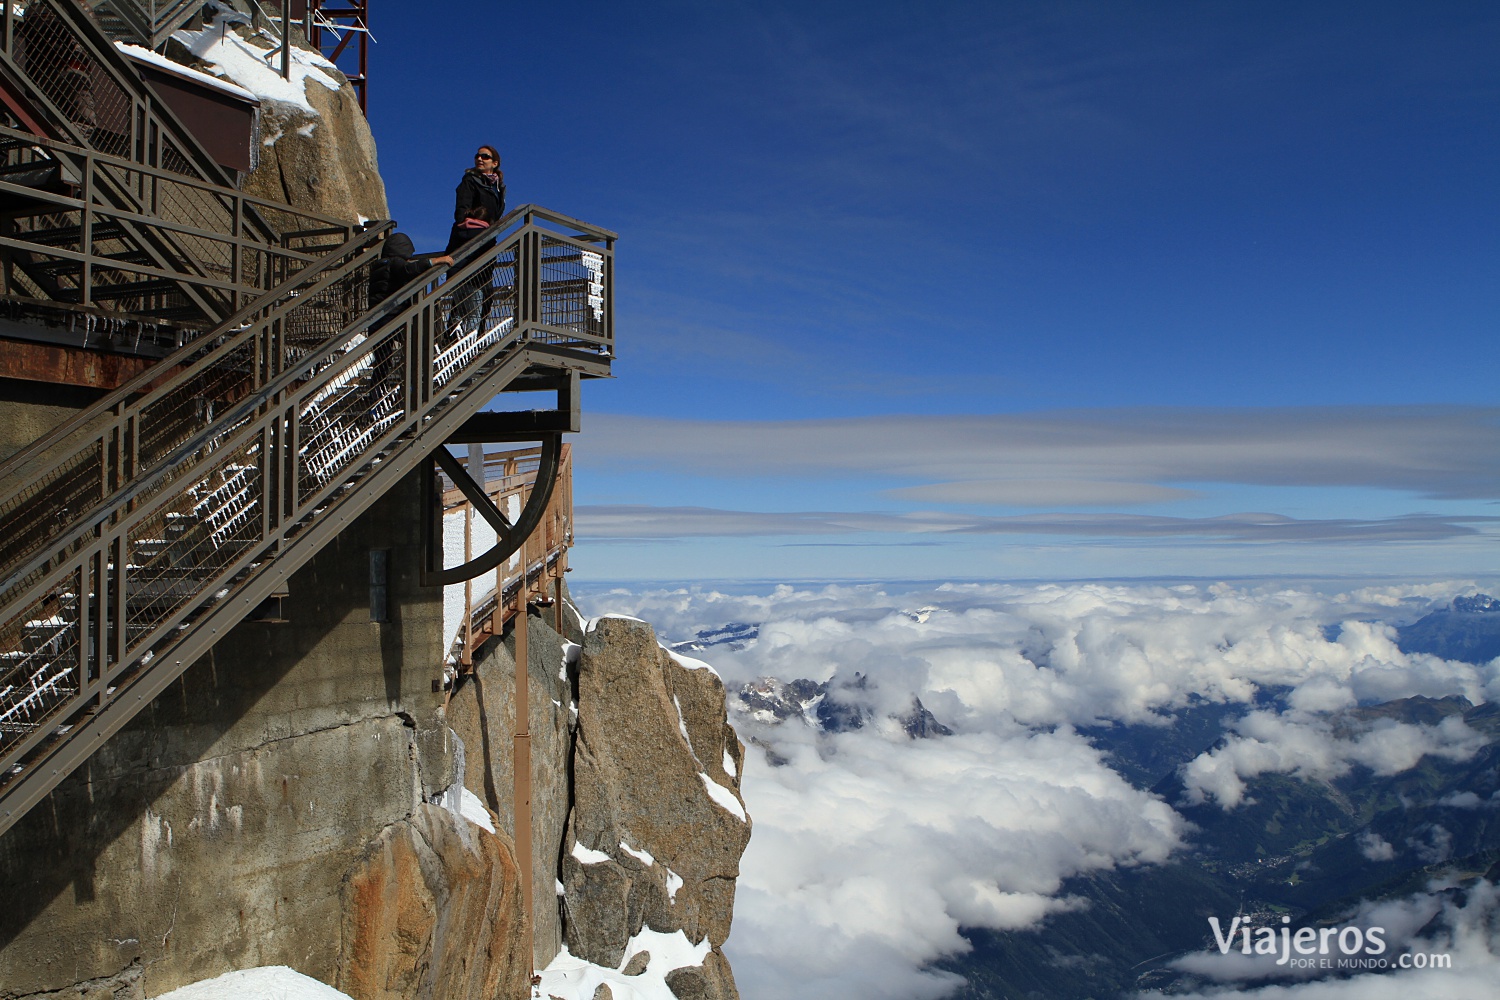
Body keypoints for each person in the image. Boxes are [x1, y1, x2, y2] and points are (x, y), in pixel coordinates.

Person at [447, 145, 505, 253]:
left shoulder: (498, 189)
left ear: (495, 163)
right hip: (467, 239)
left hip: (487, 240)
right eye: (477, 156)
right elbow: (461, 210)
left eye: (485, 156)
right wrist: (469, 230)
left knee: (485, 269)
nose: (479, 159)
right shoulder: (470, 180)